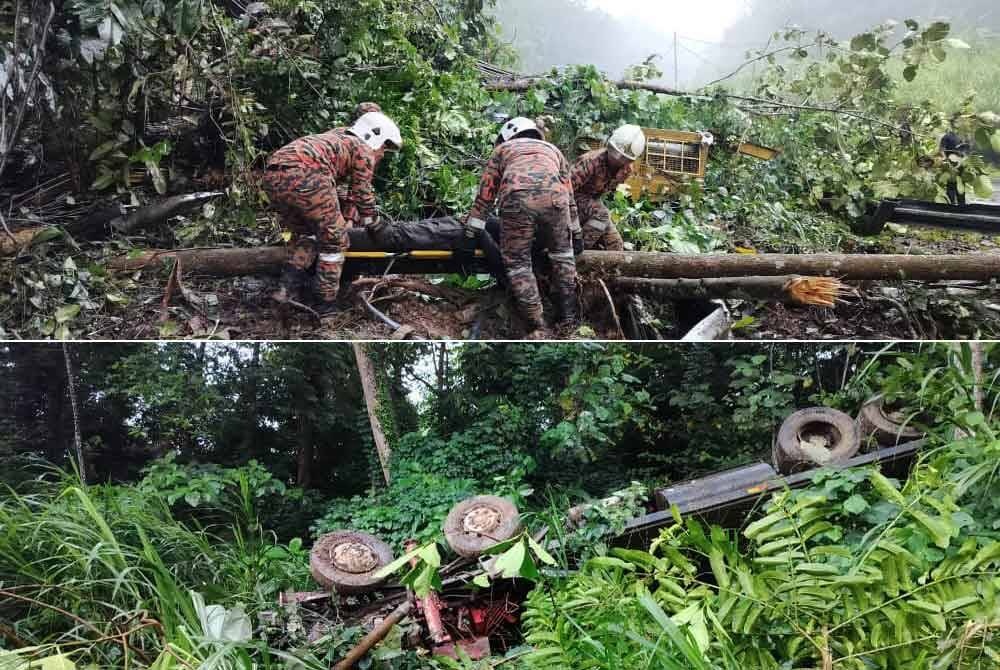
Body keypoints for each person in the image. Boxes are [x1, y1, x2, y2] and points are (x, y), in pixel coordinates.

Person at [262, 110, 402, 314]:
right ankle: (325, 304)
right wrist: (376, 225)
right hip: (307, 176)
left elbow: (347, 192)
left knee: (310, 234)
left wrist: (348, 217)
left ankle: (285, 289)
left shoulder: (339, 137)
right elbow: (362, 192)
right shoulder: (363, 150)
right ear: (374, 137)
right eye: (384, 147)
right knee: (335, 241)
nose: (381, 154)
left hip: (273, 176)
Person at [462, 117, 582, 338]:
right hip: (557, 200)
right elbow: (570, 196)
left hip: (517, 199)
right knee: (563, 256)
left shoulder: (502, 150)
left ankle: (537, 324)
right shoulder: (554, 150)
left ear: (506, 136)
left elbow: (485, 196)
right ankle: (568, 318)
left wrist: (471, 233)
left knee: (518, 264)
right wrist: (576, 233)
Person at [571, 124, 646, 251]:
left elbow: (601, 194)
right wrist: (574, 226)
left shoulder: (626, 170)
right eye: (615, 153)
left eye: (622, 158)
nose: (616, 158)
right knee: (602, 214)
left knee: (615, 244)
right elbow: (565, 191)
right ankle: (578, 250)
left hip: (592, 201)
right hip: (573, 199)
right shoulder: (590, 161)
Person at [940, 131, 971, 206]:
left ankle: (959, 205)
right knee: (952, 185)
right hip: (951, 164)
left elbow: (962, 151)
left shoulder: (958, 137)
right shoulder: (947, 136)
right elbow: (942, 150)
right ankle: (954, 204)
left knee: (958, 185)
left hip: (958, 164)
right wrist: (945, 159)